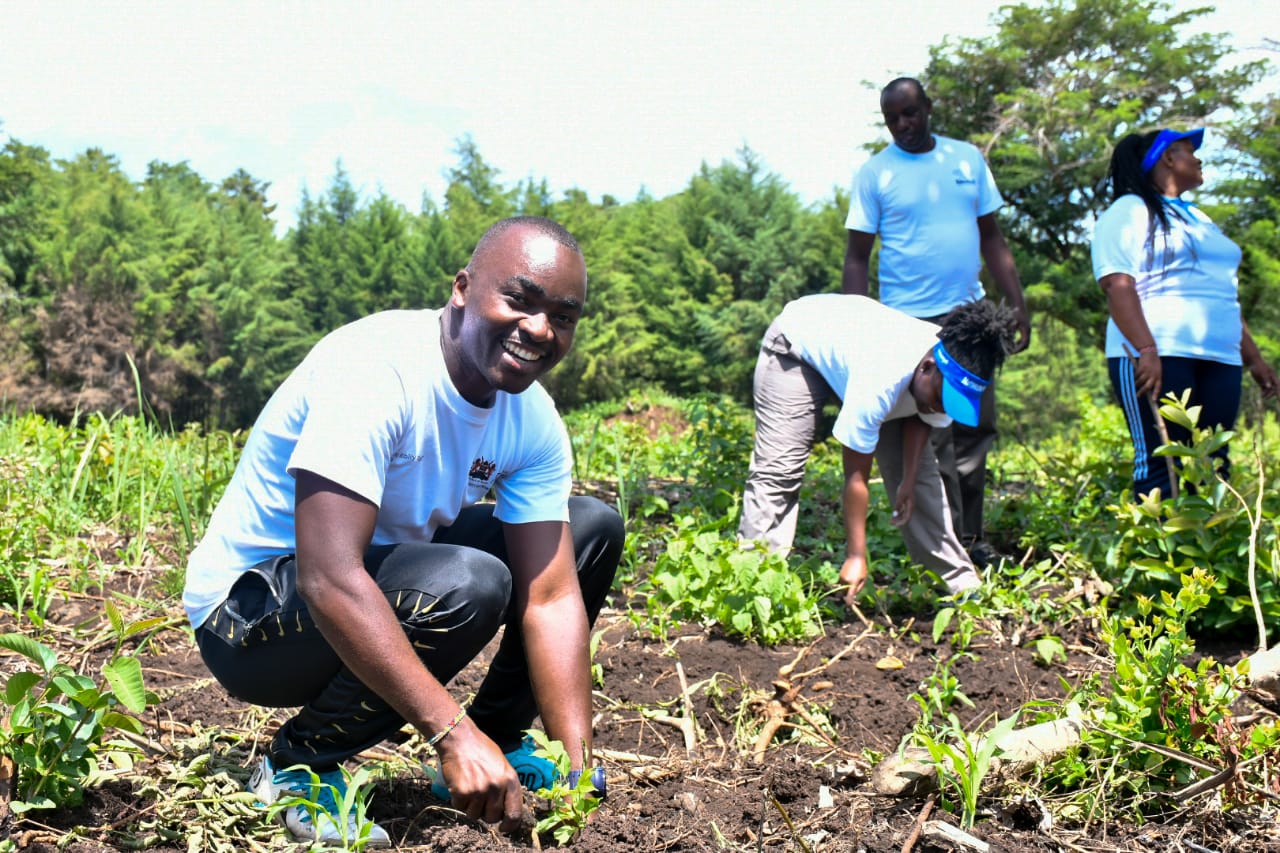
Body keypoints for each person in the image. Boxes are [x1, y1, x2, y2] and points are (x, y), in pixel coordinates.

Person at [183, 216, 623, 847]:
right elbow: (329, 577)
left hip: (367, 581)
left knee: (589, 530)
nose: (539, 330)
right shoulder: (377, 368)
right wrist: (450, 734)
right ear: (463, 289)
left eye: (563, 315)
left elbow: (550, 598)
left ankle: (496, 747)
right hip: (249, 618)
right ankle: (298, 767)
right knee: (466, 583)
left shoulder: (532, 418)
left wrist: (579, 770)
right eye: (519, 300)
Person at [842, 76, 1031, 565]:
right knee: (932, 434)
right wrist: (856, 322)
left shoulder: (966, 159)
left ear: (928, 107)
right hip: (909, 319)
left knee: (974, 425)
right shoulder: (875, 174)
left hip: (972, 315)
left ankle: (972, 538)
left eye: (910, 113)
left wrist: (1016, 304)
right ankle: (944, 546)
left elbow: (992, 237)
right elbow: (858, 256)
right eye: (892, 118)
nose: (903, 125)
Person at [737, 294, 1014, 605]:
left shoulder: (949, 369)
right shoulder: (881, 377)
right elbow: (856, 478)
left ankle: (960, 584)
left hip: (860, 354)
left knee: (923, 481)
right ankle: (754, 582)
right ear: (927, 367)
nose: (942, 407)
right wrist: (856, 554)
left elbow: (923, 418)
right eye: (941, 397)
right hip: (796, 349)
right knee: (780, 471)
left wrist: (907, 481)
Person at [1092, 128, 1279, 499]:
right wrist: (1146, 349)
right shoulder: (1130, 210)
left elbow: (1222, 293)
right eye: (1189, 150)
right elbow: (1117, 284)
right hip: (1160, 354)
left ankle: (1207, 555)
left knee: (1213, 462)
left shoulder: (1200, 219)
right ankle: (1159, 551)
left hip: (1219, 356)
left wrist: (1255, 360)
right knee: (1164, 460)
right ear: (1167, 158)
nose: (1198, 158)